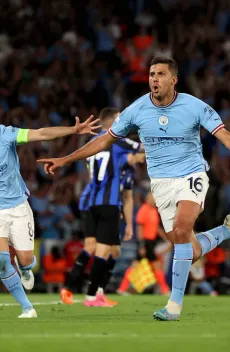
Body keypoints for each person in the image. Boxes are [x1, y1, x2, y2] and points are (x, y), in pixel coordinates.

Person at [38, 56, 230, 321]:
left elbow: (225, 136)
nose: (154, 79)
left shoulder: (195, 107)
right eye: (151, 74)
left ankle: (174, 306)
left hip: (191, 175)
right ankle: (226, 230)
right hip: (161, 185)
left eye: (160, 74)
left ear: (174, 80)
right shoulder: (137, 109)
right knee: (189, 249)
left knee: (183, 230)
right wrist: (64, 159)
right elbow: (104, 140)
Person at [0, 100, 100, 318]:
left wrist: (74, 130)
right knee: (2, 260)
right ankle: (27, 307)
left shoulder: (7, 135)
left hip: (17, 206)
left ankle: (24, 268)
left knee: (25, 260)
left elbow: (41, 134)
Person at [59, 107, 145, 307]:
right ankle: (93, 294)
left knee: (105, 248)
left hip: (90, 200)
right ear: (113, 122)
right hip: (108, 202)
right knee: (104, 249)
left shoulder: (92, 144)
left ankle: (75, 288)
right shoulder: (115, 141)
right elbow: (139, 150)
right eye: (119, 119)